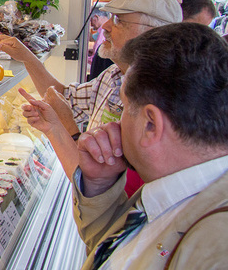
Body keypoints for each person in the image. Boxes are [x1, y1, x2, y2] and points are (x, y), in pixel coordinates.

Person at [0, 0, 183, 193]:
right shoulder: (113, 75)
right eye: (111, 18)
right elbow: (65, 97)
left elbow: (106, 187)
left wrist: (66, 127)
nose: (105, 26)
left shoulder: (159, 98)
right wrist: (27, 57)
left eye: (119, 21)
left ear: (152, 33)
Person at [73, 23, 228, 270]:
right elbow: (113, 249)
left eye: (124, 107)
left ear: (150, 125)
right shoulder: (174, 189)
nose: (119, 121)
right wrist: (100, 185)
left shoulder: (216, 248)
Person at [88, 0, 189, 81]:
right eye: (172, 5)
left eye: (117, 19)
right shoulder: (113, 67)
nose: (179, 14)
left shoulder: (165, 85)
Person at [87, 5, 113, 81]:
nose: (91, 25)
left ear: (96, 17)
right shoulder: (101, 31)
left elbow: (98, 54)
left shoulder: (103, 31)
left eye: (90, 21)